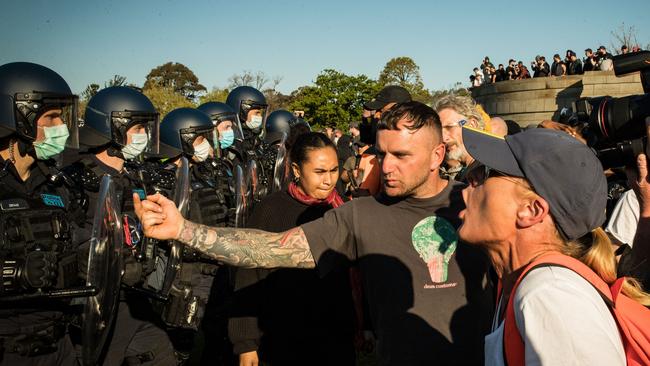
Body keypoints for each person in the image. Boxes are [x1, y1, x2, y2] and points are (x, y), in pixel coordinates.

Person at [134, 101, 493, 366]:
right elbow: (270, 249)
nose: (387, 167)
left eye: (401, 155)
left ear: (437, 155)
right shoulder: (359, 214)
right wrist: (184, 229)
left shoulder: (477, 201)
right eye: (382, 154)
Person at [458, 126, 650, 365]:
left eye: (485, 173)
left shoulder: (551, 296)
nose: (469, 181)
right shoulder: (526, 286)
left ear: (531, 210)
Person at [63, 85, 176, 366]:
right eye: (137, 127)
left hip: (136, 298)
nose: (144, 136)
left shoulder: (135, 176)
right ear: (112, 128)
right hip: (97, 305)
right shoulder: (77, 180)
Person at [229, 132, 355, 366]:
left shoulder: (344, 209)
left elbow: (353, 277)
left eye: (334, 170)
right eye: (319, 172)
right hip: (281, 337)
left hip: (335, 336)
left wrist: (362, 324)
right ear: (296, 170)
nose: (328, 180)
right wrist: (246, 342)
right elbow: (248, 275)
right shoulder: (271, 210)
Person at [0, 62, 85, 366]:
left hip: (59, 343)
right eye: (50, 117)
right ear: (17, 119)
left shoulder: (55, 183)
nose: (60, 127)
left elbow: (79, 241)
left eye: (62, 117)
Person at [156, 107, 234, 363]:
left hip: (215, 270)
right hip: (187, 276)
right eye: (200, 139)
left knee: (218, 340)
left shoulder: (204, 175)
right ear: (184, 141)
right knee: (182, 346)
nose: (207, 145)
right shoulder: (164, 182)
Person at [433, 94, 488, 182]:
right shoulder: (440, 171)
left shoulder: (489, 171)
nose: (443, 138)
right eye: (439, 131)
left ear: (472, 125)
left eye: (449, 127)